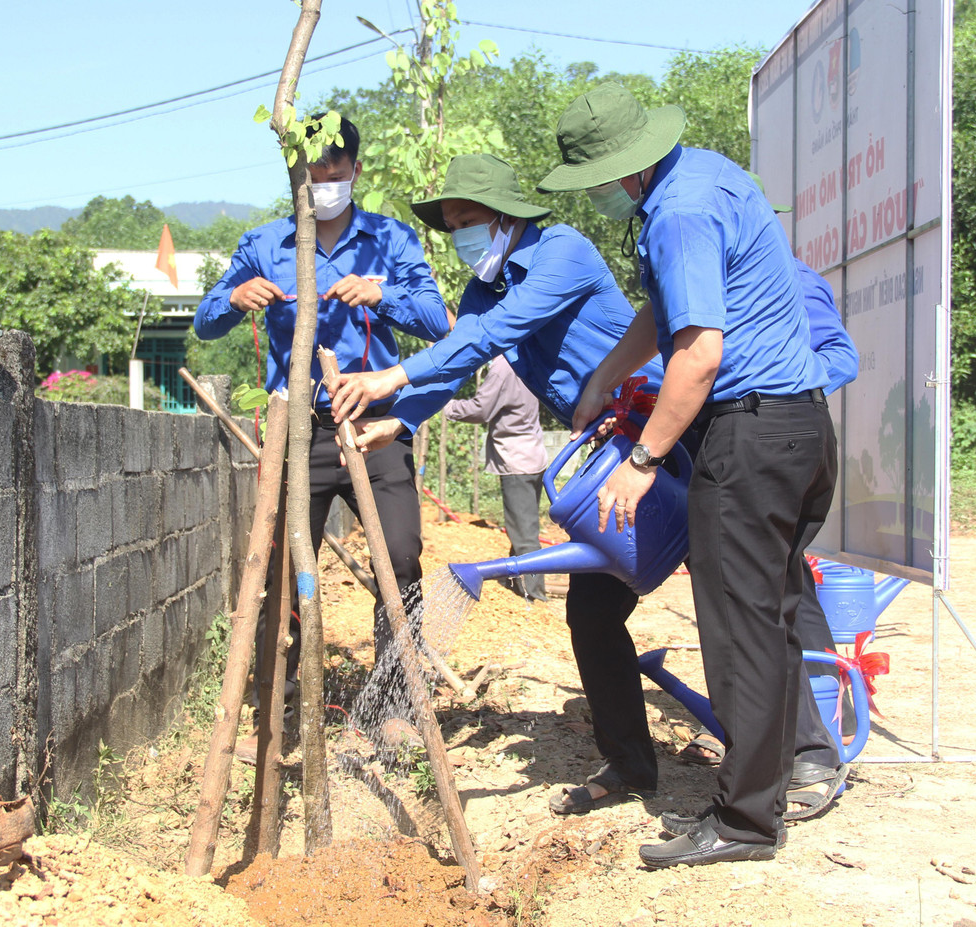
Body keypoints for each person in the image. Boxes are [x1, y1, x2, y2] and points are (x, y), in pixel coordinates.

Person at [538, 83, 841, 867]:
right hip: (797, 429)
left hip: (750, 431)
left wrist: (642, 460)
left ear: (627, 168)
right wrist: (609, 372)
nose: (598, 194)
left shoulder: (677, 212)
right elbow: (668, 310)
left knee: (738, 632)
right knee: (765, 617)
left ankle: (744, 821)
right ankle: (776, 780)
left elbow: (699, 352)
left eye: (598, 180)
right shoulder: (701, 177)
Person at [329, 152, 666, 814]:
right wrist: (399, 421)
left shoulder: (561, 252)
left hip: (661, 434)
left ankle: (790, 749)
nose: (460, 235)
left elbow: (494, 336)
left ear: (508, 217)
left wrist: (389, 379)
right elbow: (459, 365)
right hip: (603, 452)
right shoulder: (484, 291)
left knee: (729, 590)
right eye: (451, 223)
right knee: (593, 613)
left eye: (468, 219)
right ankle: (631, 766)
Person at [193, 114, 449, 742]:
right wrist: (233, 298)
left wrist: (380, 296)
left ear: (356, 170)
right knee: (283, 565)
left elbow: (438, 320)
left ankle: (393, 702)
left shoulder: (388, 240)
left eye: (337, 167)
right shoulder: (263, 244)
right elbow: (203, 321)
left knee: (400, 554)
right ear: (296, 173)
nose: (325, 178)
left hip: (375, 424)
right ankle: (282, 702)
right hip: (297, 429)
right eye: (313, 168)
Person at [677, 173, 860, 788]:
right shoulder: (711, 284)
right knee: (767, 599)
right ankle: (782, 749)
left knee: (782, 601)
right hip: (732, 443)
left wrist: (771, 388)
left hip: (768, 443)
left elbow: (840, 356)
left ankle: (811, 744)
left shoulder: (794, 282)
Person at [445, 355, 549, 602]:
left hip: (516, 459)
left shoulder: (503, 366)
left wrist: (446, 406)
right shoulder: (525, 358)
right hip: (532, 453)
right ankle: (515, 582)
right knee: (523, 526)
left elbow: (481, 409)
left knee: (524, 535)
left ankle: (535, 596)